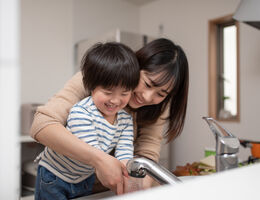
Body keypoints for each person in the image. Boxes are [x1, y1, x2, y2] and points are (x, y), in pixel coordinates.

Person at [30, 38, 189, 195]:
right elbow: (42, 124)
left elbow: (147, 152)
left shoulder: (154, 108)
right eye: (147, 83)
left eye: (161, 93)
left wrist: (137, 186)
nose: (148, 97)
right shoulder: (98, 76)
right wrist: (98, 159)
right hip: (61, 176)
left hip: (104, 187)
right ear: (136, 68)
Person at [34, 42, 140, 200]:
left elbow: (124, 151)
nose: (116, 100)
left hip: (84, 178)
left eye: (124, 93)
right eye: (108, 92)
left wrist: (127, 174)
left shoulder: (125, 119)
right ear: (91, 87)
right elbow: (95, 153)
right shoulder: (82, 112)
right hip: (55, 175)